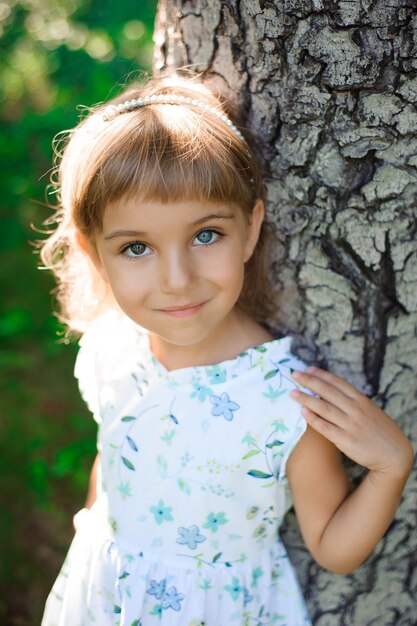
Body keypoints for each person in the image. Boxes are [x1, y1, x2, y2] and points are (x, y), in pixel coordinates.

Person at [40, 73, 414, 626]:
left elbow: (333, 548)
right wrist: (98, 514)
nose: (177, 278)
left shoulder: (285, 401)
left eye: (206, 234)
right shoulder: (112, 350)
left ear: (250, 227)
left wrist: (391, 465)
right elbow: (116, 443)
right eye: (137, 247)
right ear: (96, 255)